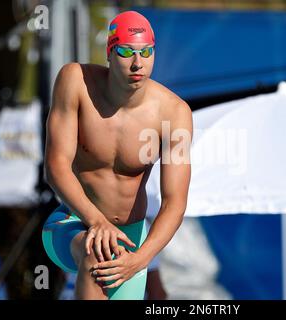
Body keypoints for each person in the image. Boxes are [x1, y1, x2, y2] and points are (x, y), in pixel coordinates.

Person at [41, 10, 192, 300]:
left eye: (146, 52)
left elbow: (175, 202)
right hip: (72, 222)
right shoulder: (76, 82)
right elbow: (56, 166)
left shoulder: (174, 114)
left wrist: (141, 258)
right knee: (98, 252)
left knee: (116, 258)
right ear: (109, 53)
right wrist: (97, 221)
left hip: (130, 238)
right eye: (126, 52)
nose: (138, 63)